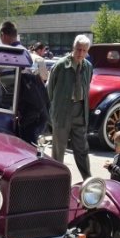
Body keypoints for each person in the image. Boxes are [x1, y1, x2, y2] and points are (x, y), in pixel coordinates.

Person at [47, 34, 93, 180]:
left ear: (87, 52)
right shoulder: (61, 65)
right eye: (78, 49)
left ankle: (88, 179)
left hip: (79, 111)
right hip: (62, 112)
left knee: (82, 149)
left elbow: (87, 87)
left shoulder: (88, 66)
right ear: (73, 48)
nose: (80, 53)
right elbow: (49, 90)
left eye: (84, 50)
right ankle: (56, 180)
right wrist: (53, 113)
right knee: (58, 150)